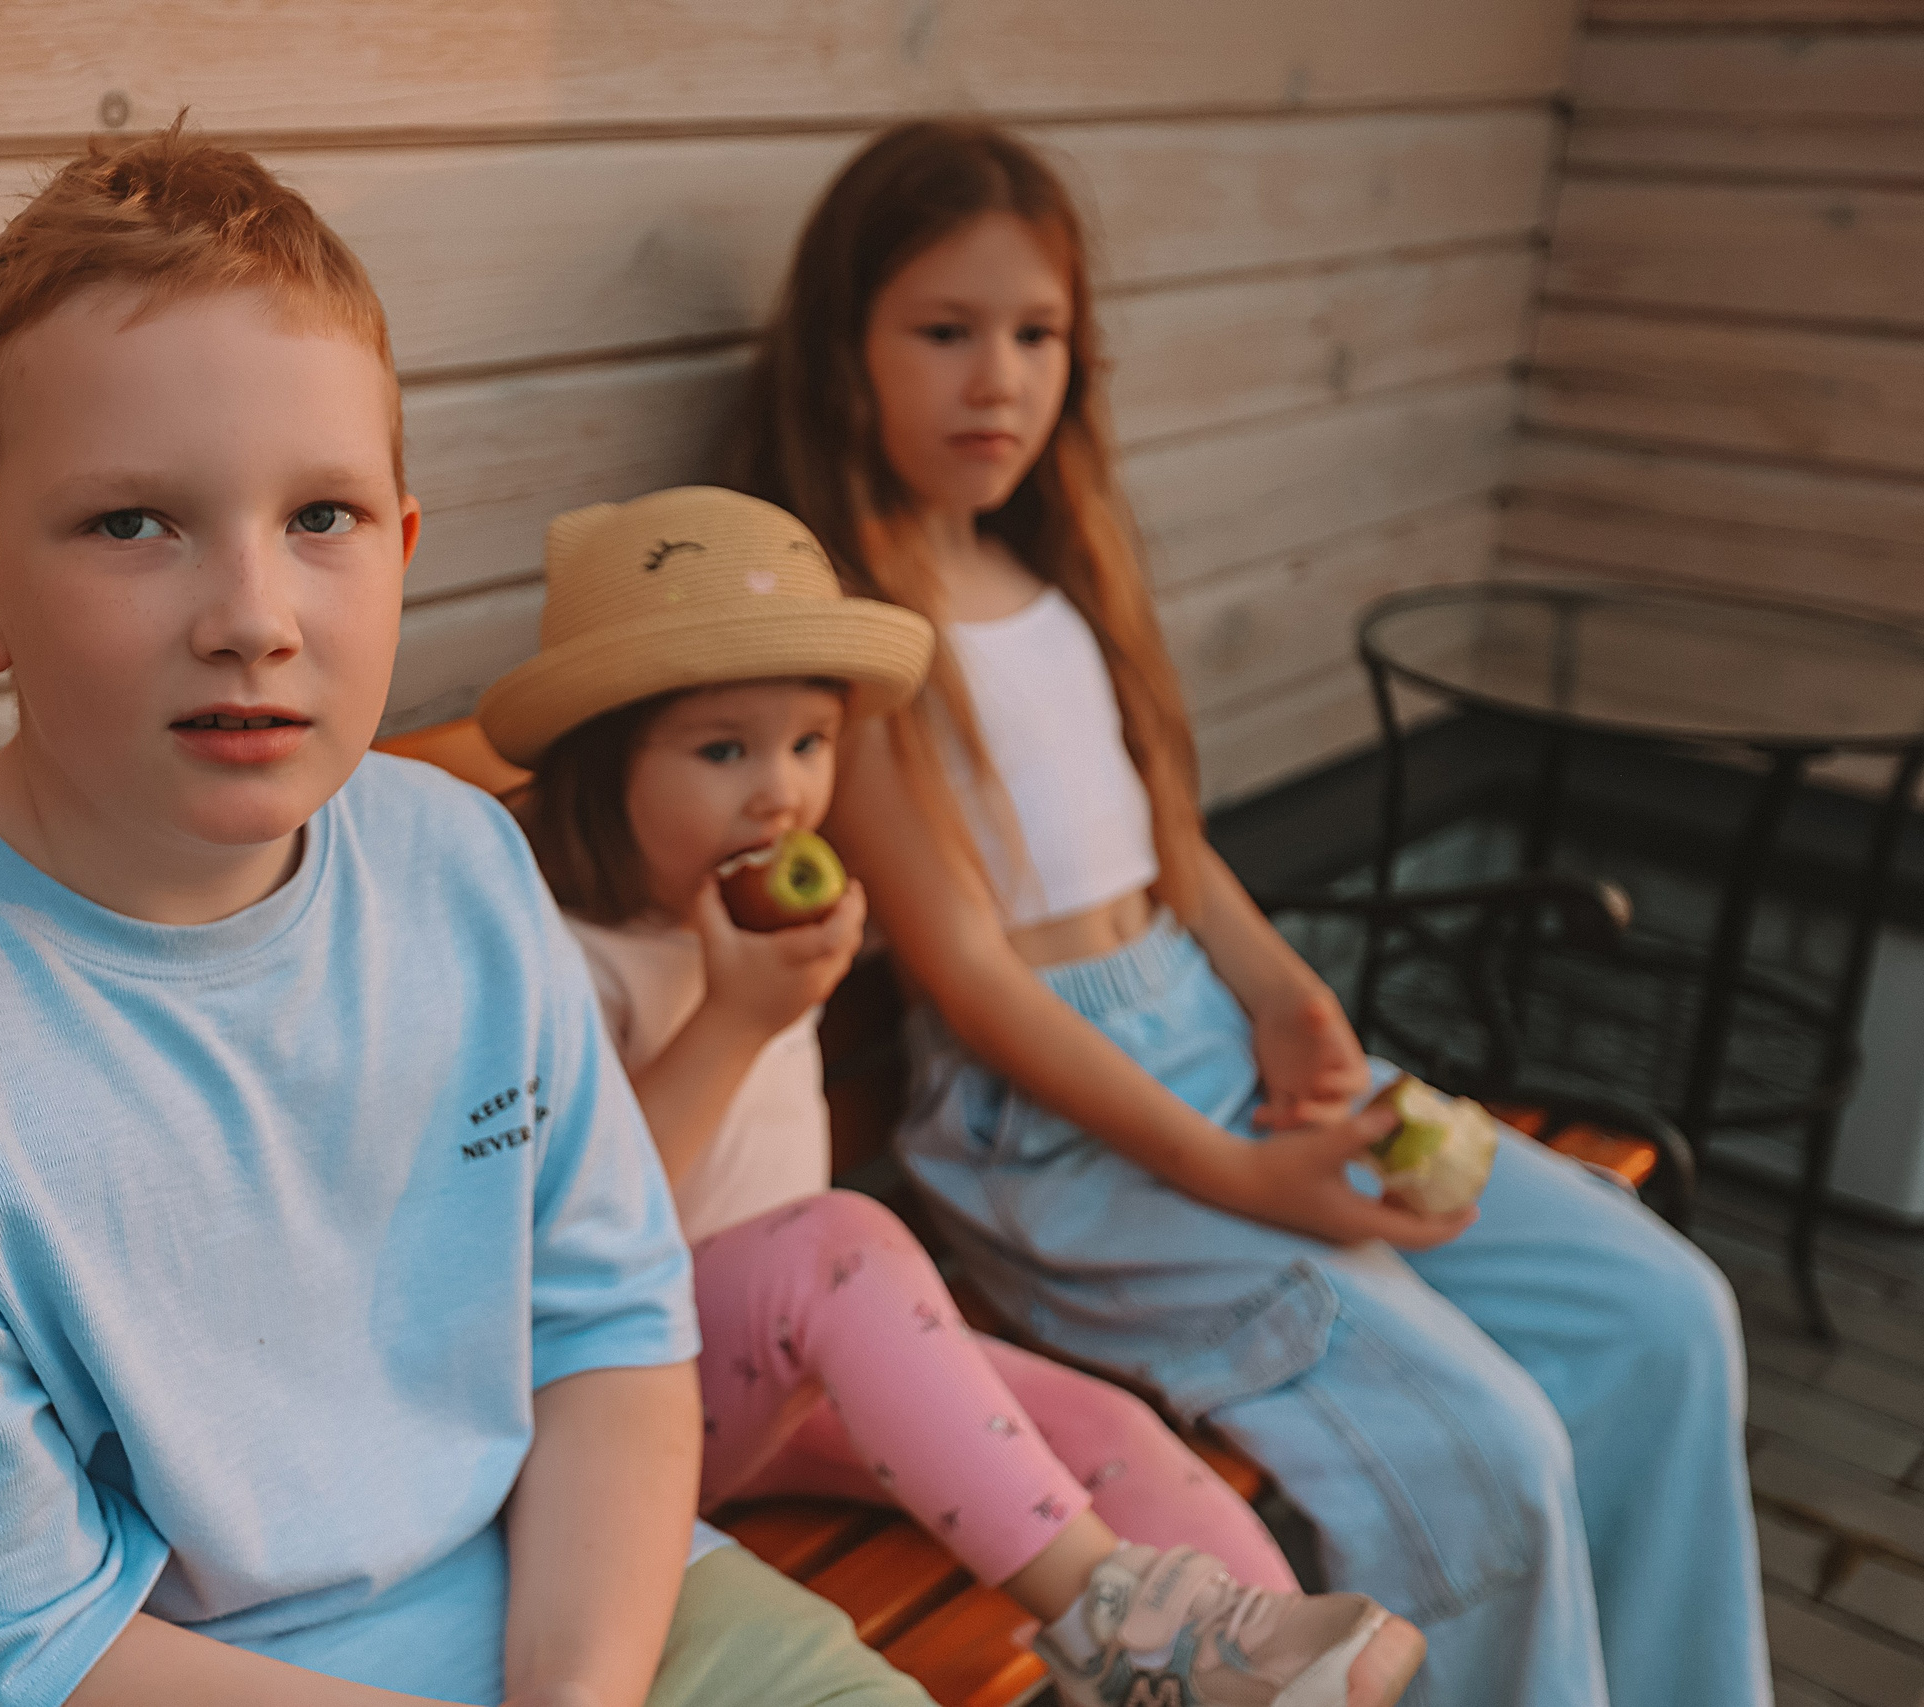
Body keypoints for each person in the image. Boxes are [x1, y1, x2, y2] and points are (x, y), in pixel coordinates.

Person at [0, 128, 942, 1707]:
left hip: (572, 1607)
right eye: (134, 522)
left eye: (322, 519)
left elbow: (606, 1323)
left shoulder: (463, 872)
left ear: (402, 554)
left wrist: (576, 1691)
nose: (253, 618)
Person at [729, 120, 1766, 1707]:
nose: (997, 379)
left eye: (1036, 334)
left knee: (1666, 1305)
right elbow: (982, 986)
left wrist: (1282, 990)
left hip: (1205, 1038)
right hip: (1072, 1140)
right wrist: (1251, 1177)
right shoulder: (859, 644)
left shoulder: (1054, 573)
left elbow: (1167, 847)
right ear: (842, 348)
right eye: (944, 333)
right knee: (1484, 1440)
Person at [477, 484, 1424, 1707]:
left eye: (808, 745)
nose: (780, 795)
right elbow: (572, 1233)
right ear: (602, 770)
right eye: (724, 750)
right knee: (840, 1243)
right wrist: (732, 1021)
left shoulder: (765, 924)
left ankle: (1248, 1671)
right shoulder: (566, 958)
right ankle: (1107, 1621)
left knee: (1111, 1438)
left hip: (787, 1377)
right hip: (620, 1418)